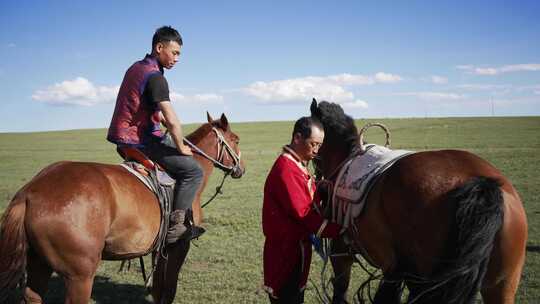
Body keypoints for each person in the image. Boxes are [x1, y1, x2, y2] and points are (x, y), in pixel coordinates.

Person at [107, 26, 204, 244]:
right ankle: (176, 227)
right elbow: (171, 117)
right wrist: (180, 146)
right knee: (194, 171)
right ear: (159, 47)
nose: (177, 58)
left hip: (125, 136)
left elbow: (137, 105)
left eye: (180, 54)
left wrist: (155, 118)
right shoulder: (156, 77)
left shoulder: (136, 68)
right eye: (175, 52)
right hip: (141, 140)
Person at [262, 116, 342, 303]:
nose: (316, 150)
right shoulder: (287, 169)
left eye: (319, 146)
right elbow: (304, 214)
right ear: (297, 138)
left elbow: (303, 194)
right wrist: (341, 230)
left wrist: (320, 189)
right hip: (287, 253)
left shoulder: (295, 163)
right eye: (313, 144)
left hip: (293, 248)